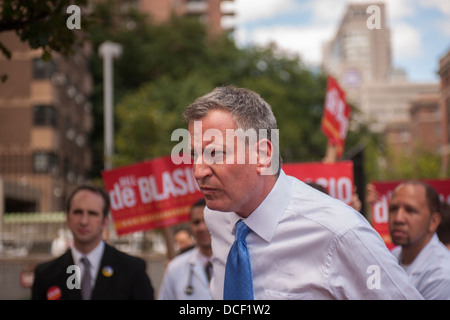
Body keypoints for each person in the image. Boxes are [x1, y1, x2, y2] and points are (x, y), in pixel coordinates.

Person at [184, 85, 422, 300]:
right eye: (195, 155)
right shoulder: (216, 217)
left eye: (215, 153)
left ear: (263, 155)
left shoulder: (341, 233)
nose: (198, 171)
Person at [31, 185, 155, 300]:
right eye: (78, 212)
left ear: (105, 221)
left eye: (92, 213)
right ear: (67, 218)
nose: (84, 221)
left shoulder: (132, 270)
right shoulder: (46, 275)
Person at [388, 181, 450, 299]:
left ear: (433, 221)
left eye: (410, 210)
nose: (398, 218)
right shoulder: (391, 257)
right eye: (393, 209)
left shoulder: (442, 275)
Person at [158, 198, 213, 300]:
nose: (202, 227)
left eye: (206, 220)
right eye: (196, 222)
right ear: (190, 227)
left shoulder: (236, 262)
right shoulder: (175, 268)